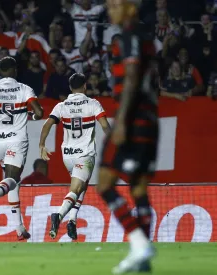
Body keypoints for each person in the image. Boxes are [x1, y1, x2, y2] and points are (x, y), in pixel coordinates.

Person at [99, 0, 159, 273]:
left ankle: (138, 243)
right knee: (138, 190)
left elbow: (132, 76)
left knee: (104, 183)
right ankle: (143, 259)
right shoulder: (146, 39)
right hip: (149, 120)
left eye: (115, 5)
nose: (110, 10)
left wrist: (121, 121)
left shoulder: (128, 37)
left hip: (133, 120)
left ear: (131, 8)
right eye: (108, 5)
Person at [0, 56, 44, 241]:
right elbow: (39, 112)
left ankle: (19, 228)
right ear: (15, 70)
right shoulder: (24, 89)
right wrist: (33, 116)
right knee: (12, 179)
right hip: (17, 140)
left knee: (11, 180)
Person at [39, 73, 111, 241]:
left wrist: (41, 144)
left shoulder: (61, 106)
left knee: (82, 185)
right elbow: (105, 125)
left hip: (68, 156)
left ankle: (72, 220)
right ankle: (59, 214)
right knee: (76, 189)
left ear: (70, 88)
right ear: (85, 86)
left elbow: (47, 124)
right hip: (84, 154)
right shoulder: (93, 104)